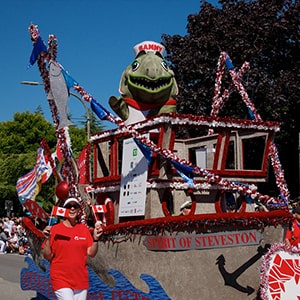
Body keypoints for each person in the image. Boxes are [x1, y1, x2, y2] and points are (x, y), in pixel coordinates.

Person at [42, 197, 103, 300]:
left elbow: (91, 253)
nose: (72, 208)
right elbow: (47, 256)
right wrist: (48, 239)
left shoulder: (83, 229)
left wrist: (96, 239)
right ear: (64, 209)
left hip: (80, 280)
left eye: (75, 206)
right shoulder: (55, 229)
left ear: (79, 210)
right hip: (60, 278)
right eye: (69, 206)